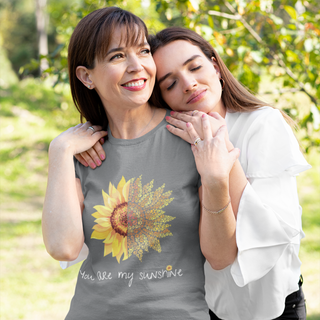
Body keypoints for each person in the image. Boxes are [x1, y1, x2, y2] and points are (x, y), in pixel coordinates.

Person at [75, 26, 311, 320]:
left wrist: (219, 148)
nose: (188, 84)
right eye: (170, 83)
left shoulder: (262, 125)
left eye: (195, 67)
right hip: (208, 306)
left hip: (274, 305)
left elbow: (269, 233)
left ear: (215, 65)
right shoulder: (177, 138)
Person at [42, 8, 240, 320]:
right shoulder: (82, 151)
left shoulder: (197, 135)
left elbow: (221, 256)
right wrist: (60, 150)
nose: (137, 67)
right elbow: (62, 247)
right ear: (86, 76)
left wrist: (215, 180)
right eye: (117, 56)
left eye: (144, 51)